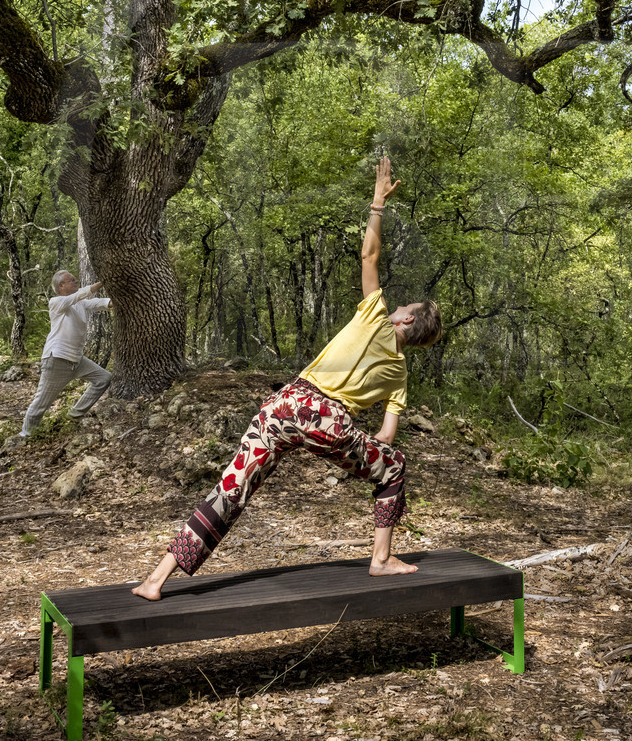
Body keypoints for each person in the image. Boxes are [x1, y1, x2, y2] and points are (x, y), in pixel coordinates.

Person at [132, 156, 442, 600]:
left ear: (405, 322)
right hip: (324, 418)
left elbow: (369, 253)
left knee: (230, 489)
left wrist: (377, 203)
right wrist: (361, 453)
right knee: (393, 467)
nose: (396, 307)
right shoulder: (399, 375)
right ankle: (381, 559)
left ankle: (156, 579)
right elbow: (388, 437)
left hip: (283, 405)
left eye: (403, 308)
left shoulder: (374, 315)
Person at [12, 270, 113, 444]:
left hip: (77, 359)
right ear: (61, 286)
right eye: (71, 280)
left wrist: (115, 301)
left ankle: (76, 413)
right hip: (57, 359)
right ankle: (26, 435)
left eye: (75, 279)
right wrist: (102, 282)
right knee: (42, 401)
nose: (75, 281)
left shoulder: (80, 303)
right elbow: (80, 295)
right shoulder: (56, 302)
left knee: (104, 378)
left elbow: (98, 303)